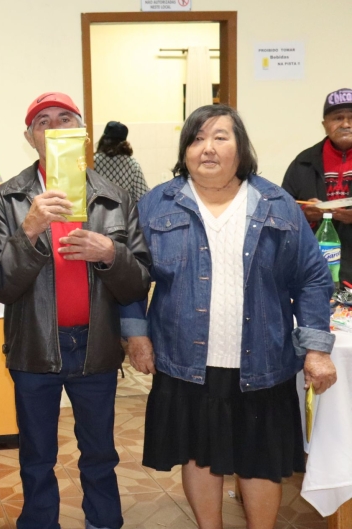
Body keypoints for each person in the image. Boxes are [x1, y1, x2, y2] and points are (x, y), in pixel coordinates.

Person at [126, 104, 338, 529]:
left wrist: (316, 348)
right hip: (185, 361)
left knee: (261, 460)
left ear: (240, 148)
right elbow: (130, 275)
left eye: (220, 137)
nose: (207, 148)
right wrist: (136, 334)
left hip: (264, 358)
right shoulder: (156, 204)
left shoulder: (276, 203)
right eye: (196, 138)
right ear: (185, 151)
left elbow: (313, 277)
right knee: (198, 455)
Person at [0, 92, 151, 529]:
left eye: (65, 119)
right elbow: (0, 284)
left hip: (96, 346)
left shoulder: (114, 197)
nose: (55, 128)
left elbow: (138, 282)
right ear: (30, 137)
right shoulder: (7, 199)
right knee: (36, 454)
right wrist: (29, 230)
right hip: (33, 347)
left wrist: (110, 254)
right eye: (43, 122)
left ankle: (104, 521)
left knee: (99, 452)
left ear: (83, 135)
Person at [282, 88, 352, 283]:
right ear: (325, 124)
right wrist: (305, 214)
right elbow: (281, 211)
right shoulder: (303, 162)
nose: (346, 124)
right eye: (337, 118)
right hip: (314, 270)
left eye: (351, 118)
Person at [93, 120, 149, 202]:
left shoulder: (93, 161)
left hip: (97, 209)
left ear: (103, 139)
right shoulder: (132, 165)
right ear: (124, 143)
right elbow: (143, 196)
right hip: (124, 209)